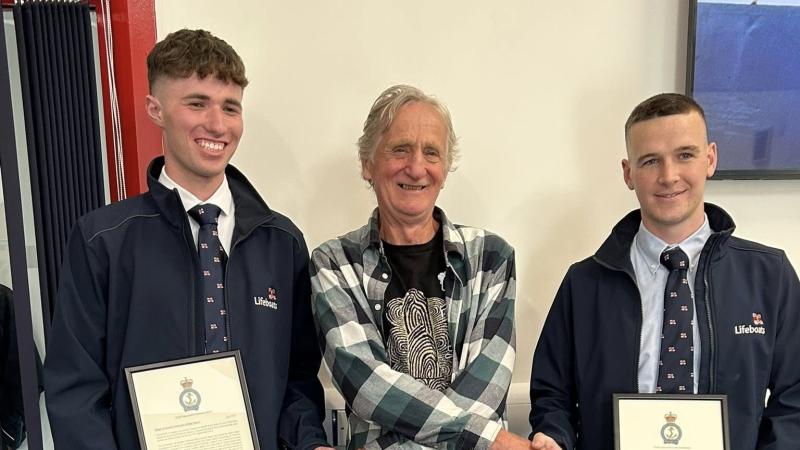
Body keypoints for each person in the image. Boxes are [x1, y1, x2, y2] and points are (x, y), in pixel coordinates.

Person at [43, 29, 328, 450]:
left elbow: (298, 380)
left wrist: (310, 443)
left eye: (230, 107)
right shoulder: (103, 240)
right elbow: (75, 390)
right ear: (155, 109)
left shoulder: (281, 243)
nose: (217, 124)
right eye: (197, 103)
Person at [529, 93, 800, 450]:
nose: (669, 176)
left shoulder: (770, 276)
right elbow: (552, 395)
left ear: (711, 159)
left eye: (685, 155)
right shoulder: (584, 284)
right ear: (628, 174)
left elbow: (794, 397)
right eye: (651, 161)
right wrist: (554, 436)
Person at [311, 85, 528, 449]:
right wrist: (487, 439)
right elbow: (368, 387)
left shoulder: (491, 258)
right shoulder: (334, 262)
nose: (416, 168)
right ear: (368, 164)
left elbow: (487, 386)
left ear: (444, 168)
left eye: (431, 152)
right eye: (400, 149)